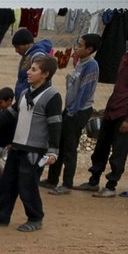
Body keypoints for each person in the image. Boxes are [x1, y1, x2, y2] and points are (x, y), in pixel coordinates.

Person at [0, 56, 62, 232]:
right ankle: (2, 217)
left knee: (28, 185)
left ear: (45, 74)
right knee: (6, 183)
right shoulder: (25, 93)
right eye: (29, 68)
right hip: (17, 147)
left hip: (35, 151)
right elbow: (10, 114)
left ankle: (35, 218)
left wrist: (53, 152)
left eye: (33, 69)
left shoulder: (52, 96)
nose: (28, 72)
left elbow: (55, 125)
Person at [77, 26, 128, 198]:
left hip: (126, 114)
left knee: (119, 152)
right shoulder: (125, 58)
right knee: (101, 148)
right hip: (112, 109)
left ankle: (111, 186)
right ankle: (93, 181)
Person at [43, 34, 101, 195]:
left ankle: (66, 184)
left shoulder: (91, 66)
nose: (76, 48)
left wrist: (72, 112)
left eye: (80, 45)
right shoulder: (80, 63)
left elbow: (84, 92)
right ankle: (52, 179)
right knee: (59, 144)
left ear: (89, 49)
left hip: (78, 112)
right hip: (70, 110)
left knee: (69, 147)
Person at [12, 28, 53, 102]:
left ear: (27, 44)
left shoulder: (37, 56)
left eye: (18, 47)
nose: (16, 50)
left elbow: (42, 79)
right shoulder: (28, 55)